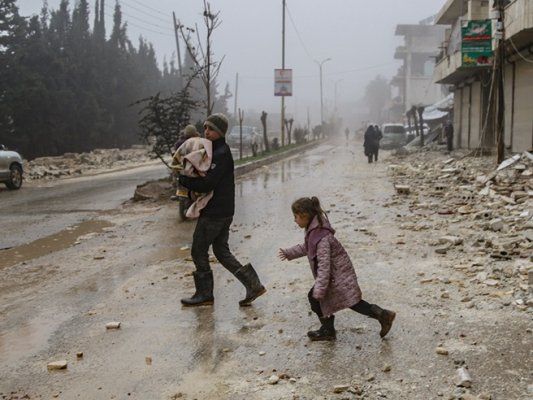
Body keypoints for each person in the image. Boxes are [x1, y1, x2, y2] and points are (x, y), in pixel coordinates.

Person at [178, 113, 266, 307]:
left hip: (216, 212)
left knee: (198, 250)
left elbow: (208, 183)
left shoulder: (220, 153)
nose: (206, 132)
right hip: (223, 210)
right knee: (221, 251)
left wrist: (184, 179)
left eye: (211, 129)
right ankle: (254, 285)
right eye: (205, 128)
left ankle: (205, 294)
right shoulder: (213, 151)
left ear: (220, 132)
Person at [278, 196, 396, 341]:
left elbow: (324, 266)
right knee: (352, 302)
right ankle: (383, 315)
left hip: (337, 277)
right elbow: (308, 247)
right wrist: (290, 252)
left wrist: (320, 288)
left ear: (305, 216)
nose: (294, 220)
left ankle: (329, 329)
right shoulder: (315, 231)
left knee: (326, 299)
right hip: (337, 275)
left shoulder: (321, 237)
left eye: (295, 216)